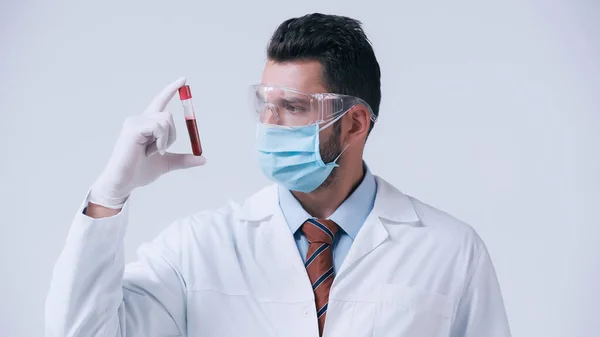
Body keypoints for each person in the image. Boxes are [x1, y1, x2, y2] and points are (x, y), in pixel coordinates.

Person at [45, 13, 511, 337]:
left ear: (354, 123)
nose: (269, 124)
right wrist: (111, 193)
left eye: (291, 107)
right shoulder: (198, 248)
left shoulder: (450, 249)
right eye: (264, 104)